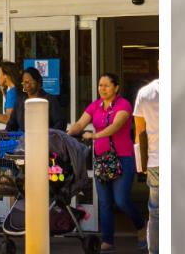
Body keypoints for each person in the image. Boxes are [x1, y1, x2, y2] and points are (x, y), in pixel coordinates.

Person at [69, 72, 145, 252]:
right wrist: (69, 133)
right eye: (100, 85)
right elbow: (80, 124)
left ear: (116, 87)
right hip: (102, 159)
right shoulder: (95, 106)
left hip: (122, 158)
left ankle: (142, 226)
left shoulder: (124, 105)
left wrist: (94, 135)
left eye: (106, 85)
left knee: (122, 200)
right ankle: (108, 241)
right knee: (104, 202)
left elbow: (116, 126)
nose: (102, 89)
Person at [132, 75, 161, 254]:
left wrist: (141, 165)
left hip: (156, 161)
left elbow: (140, 133)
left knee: (156, 214)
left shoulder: (145, 93)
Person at [6, 65, 64, 132]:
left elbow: (61, 123)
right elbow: (11, 125)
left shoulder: (49, 100)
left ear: (38, 82)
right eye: (25, 82)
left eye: (30, 81)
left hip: (46, 140)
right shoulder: (19, 102)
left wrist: (49, 135)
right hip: (25, 140)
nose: (27, 85)